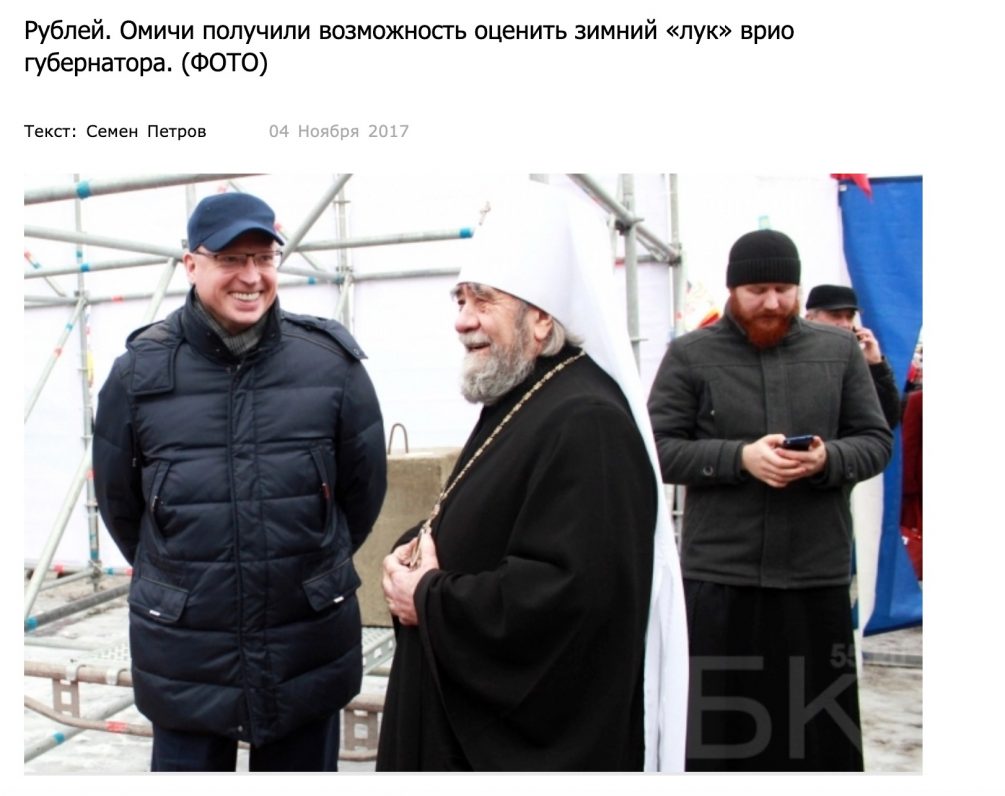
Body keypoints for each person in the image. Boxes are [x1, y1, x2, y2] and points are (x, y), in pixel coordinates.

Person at [376, 185, 689, 771]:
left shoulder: (588, 421)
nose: (462, 320)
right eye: (460, 299)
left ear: (542, 319)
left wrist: (430, 597)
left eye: (483, 301)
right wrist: (411, 548)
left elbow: (571, 604)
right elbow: (487, 518)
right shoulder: (524, 394)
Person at [92, 192, 387, 771]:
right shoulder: (138, 374)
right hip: (186, 650)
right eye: (230, 259)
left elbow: (362, 493)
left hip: (304, 641)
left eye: (264, 257)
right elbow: (121, 507)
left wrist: (306, 563)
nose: (251, 277)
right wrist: (181, 577)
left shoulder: (330, 365)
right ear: (191, 264)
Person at [647, 229, 893, 771]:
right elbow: (657, 450)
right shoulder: (690, 355)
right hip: (721, 580)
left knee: (817, 736)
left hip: (814, 579)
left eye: (784, 289)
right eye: (758, 290)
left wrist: (827, 460)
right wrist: (740, 458)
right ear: (733, 290)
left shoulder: (837, 352)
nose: (773, 303)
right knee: (722, 736)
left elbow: (876, 441)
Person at [805, 284, 901, 428]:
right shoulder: (792, 354)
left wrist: (876, 366)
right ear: (809, 318)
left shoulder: (853, 362)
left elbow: (886, 419)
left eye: (849, 317)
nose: (845, 324)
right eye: (835, 315)